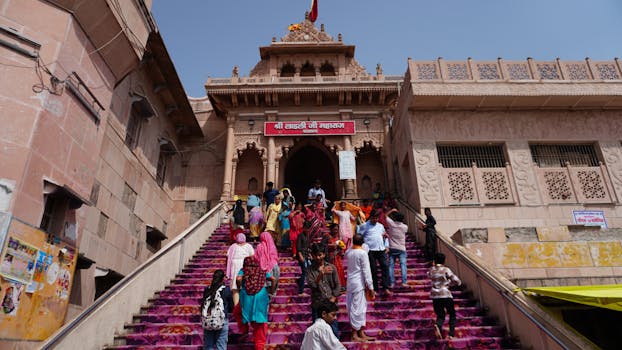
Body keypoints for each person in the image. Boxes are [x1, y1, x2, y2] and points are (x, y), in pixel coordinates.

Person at [236, 256, 276, 350]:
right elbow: (273, 279)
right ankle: (259, 345)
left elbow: (238, 279)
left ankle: (245, 330)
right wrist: (271, 292)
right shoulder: (261, 270)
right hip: (261, 296)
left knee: (239, 312)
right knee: (260, 323)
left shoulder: (244, 270)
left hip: (246, 296)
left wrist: (239, 288)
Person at [306, 243, 341, 338]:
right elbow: (312, 286)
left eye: (320, 254)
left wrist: (333, 297)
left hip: (330, 304)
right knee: (317, 334)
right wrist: (321, 274)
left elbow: (338, 285)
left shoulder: (332, 267)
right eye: (316, 255)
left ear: (324, 254)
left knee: (334, 332)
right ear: (312, 255)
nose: (318, 257)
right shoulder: (310, 270)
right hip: (317, 304)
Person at [345, 234, 375, 342]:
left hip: (351, 283)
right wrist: (371, 287)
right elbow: (367, 271)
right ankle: (354, 334)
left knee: (359, 308)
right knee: (357, 309)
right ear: (362, 242)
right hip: (358, 284)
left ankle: (361, 333)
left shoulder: (348, 252)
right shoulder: (362, 253)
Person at [428, 253, 462, 339]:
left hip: (435, 295)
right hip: (445, 294)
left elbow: (428, 275)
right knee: (452, 314)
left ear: (434, 261)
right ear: (444, 261)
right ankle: (451, 334)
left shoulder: (431, 270)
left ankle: (438, 325)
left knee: (440, 314)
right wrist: (451, 284)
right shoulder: (446, 269)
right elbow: (456, 280)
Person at [357, 210, 391, 295]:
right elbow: (359, 237)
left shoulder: (380, 226)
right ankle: (374, 289)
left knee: (385, 267)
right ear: (370, 217)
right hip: (370, 250)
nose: (375, 220)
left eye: (377, 218)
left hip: (381, 249)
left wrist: (386, 246)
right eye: (374, 218)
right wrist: (361, 248)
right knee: (373, 269)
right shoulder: (364, 226)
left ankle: (386, 287)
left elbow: (385, 236)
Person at [201, 269, 233, 350]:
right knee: (221, 345)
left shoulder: (207, 289)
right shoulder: (226, 290)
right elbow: (231, 306)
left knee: (208, 345)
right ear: (223, 278)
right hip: (222, 319)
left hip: (208, 319)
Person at [226, 233, 254, 305]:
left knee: (235, 289)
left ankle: (236, 306)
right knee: (245, 286)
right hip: (245, 266)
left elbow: (227, 257)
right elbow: (252, 257)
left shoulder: (233, 247)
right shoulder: (248, 246)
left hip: (234, 267)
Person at [385, 208, 409, 288]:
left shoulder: (392, 224)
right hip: (402, 248)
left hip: (392, 247)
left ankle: (392, 283)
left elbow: (385, 216)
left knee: (391, 266)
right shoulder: (405, 227)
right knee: (403, 265)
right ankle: (404, 282)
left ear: (395, 218)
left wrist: (392, 210)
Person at [255, 232, 280, 299]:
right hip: (275, 267)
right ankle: (271, 295)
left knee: (265, 289)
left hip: (265, 269)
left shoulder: (259, 246)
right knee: (272, 287)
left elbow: (257, 258)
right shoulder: (272, 246)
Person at [296, 221, 312, 295]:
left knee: (308, 271)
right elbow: (298, 247)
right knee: (304, 272)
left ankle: (299, 281)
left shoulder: (307, 236)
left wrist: (310, 255)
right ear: (304, 228)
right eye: (307, 228)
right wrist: (300, 256)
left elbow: (308, 247)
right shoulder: (300, 236)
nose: (308, 230)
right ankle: (301, 291)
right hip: (302, 255)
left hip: (306, 255)